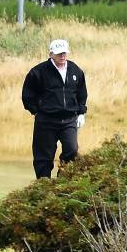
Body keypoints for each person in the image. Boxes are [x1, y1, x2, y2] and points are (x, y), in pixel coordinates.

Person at [21, 39, 88, 179]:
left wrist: (81, 113)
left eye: (64, 53)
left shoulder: (75, 70)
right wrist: (37, 110)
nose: (62, 56)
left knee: (72, 150)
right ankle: (43, 186)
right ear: (51, 54)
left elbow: (81, 93)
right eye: (59, 54)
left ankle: (62, 181)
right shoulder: (38, 72)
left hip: (69, 120)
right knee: (44, 157)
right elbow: (27, 95)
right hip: (46, 121)